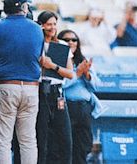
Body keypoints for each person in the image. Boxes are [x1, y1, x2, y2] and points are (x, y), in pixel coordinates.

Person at [0, 0, 44, 164]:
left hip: (6, 85)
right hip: (31, 87)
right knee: (28, 141)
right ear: (24, 7)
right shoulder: (36, 29)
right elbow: (39, 57)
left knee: (2, 141)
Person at [57, 29, 104, 164]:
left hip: (84, 108)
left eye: (74, 39)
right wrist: (77, 73)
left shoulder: (82, 60)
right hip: (66, 107)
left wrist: (86, 74)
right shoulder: (57, 60)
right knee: (65, 146)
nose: (71, 42)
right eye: (66, 40)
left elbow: (96, 86)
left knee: (83, 146)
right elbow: (60, 84)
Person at [36, 11, 75, 164]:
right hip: (39, 91)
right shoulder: (36, 44)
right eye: (48, 24)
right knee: (41, 138)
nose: (52, 27)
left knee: (65, 138)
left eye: (54, 24)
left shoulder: (62, 45)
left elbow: (70, 73)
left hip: (56, 92)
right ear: (41, 25)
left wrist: (53, 66)